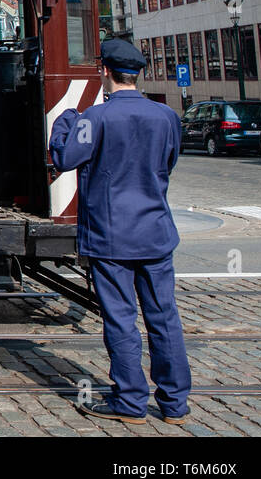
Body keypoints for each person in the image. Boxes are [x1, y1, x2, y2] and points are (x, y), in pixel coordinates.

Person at [48, 38, 192, 425]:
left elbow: (63, 158)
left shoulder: (95, 118)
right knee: (164, 317)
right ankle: (175, 403)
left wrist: (65, 120)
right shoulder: (166, 117)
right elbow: (169, 163)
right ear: (137, 74)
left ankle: (129, 402)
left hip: (112, 237)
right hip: (156, 231)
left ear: (105, 72)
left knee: (121, 319)